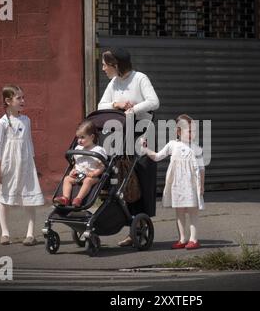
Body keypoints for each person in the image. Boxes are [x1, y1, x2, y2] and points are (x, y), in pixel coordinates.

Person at [98, 47, 160, 247]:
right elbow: (101, 106)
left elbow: (154, 102)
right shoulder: (114, 82)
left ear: (115, 65)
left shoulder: (140, 78)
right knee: (125, 177)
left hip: (142, 131)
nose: (102, 68)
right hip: (124, 132)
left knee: (141, 175)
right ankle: (131, 225)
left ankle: (141, 222)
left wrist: (132, 108)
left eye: (105, 65)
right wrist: (117, 104)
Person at [142, 114, 205, 250]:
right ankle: (182, 239)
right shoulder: (172, 145)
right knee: (179, 212)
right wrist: (145, 149)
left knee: (193, 212)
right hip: (177, 185)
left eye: (194, 131)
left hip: (192, 185)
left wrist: (202, 186)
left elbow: (201, 169)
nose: (192, 134)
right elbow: (157, 157)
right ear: (178, 131)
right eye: (189, 131)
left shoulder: (196, 148)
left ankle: (193, 239)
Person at [0, 85, 45, 246]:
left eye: (23, 97)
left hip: (26, 165)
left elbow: (29, 143)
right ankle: (5, 233)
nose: (23, 101)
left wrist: (33, 164)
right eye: (19, 98)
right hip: (9, 165)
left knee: (29, 197)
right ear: (8, 101)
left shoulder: (26, 120)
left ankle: (30, 234)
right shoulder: (1, 123)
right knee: (4, 197)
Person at [54, 121, 107, 207]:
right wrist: (73, 170)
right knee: (67, 179)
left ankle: (78, 199)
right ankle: (65, 198)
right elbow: (76, 163)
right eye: (78, 137)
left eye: (82, 137)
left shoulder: (98, 150)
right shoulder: (78, 148)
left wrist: (94, 173)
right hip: (78, 175)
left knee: (87, 181)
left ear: (92, 137)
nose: (79, 140)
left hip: (92, 177)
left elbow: (102, 166)